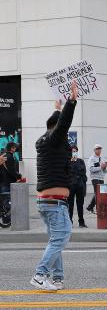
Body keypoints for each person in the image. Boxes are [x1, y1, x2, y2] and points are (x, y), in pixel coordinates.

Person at [30, 81, 78, 291]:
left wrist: (56, 108)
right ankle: (40, 275)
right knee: (61, 237)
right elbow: (63, 124)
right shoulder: (55, 139)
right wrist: (72, 101)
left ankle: (56, 278)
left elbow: (57, 123)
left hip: (47, 201)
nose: (66, 134)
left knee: (55, 240)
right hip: (54, 203)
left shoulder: (45, 140)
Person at [0, 142, 21, 228]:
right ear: (12, 148)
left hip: (2, 182)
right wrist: (18, 176)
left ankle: (6, 220)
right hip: (7, 182)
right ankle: (7, 220)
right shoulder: (9, 156)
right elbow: (11, 170)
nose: (15, 149)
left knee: (4, 201)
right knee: (7, 201)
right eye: (14, 147)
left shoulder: (3, 155)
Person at [68, 145, 87, 228]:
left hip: (80, 185)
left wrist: (84, 184)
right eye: (72, 151)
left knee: (80, 204)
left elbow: (83, 173)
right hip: (71, 186)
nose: (74, 152)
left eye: (75, 151)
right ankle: (69, 222)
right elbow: (68, 172)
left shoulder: (81, 161)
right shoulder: (68, 162)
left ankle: (81, 222)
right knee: (70, 204)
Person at [86, 144, 107, 214]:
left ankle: (90, 207)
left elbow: (105, 171)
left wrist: (104, 168)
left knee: (99, 193)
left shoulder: (102, 158)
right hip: (95, 178)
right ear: (94, 150)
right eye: (97, 149)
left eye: (100, 149)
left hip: (101, 178)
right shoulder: (91, 158)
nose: (99, 150)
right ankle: (97, 209)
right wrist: (100, 167)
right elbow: (91, 169)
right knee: (98, 193)